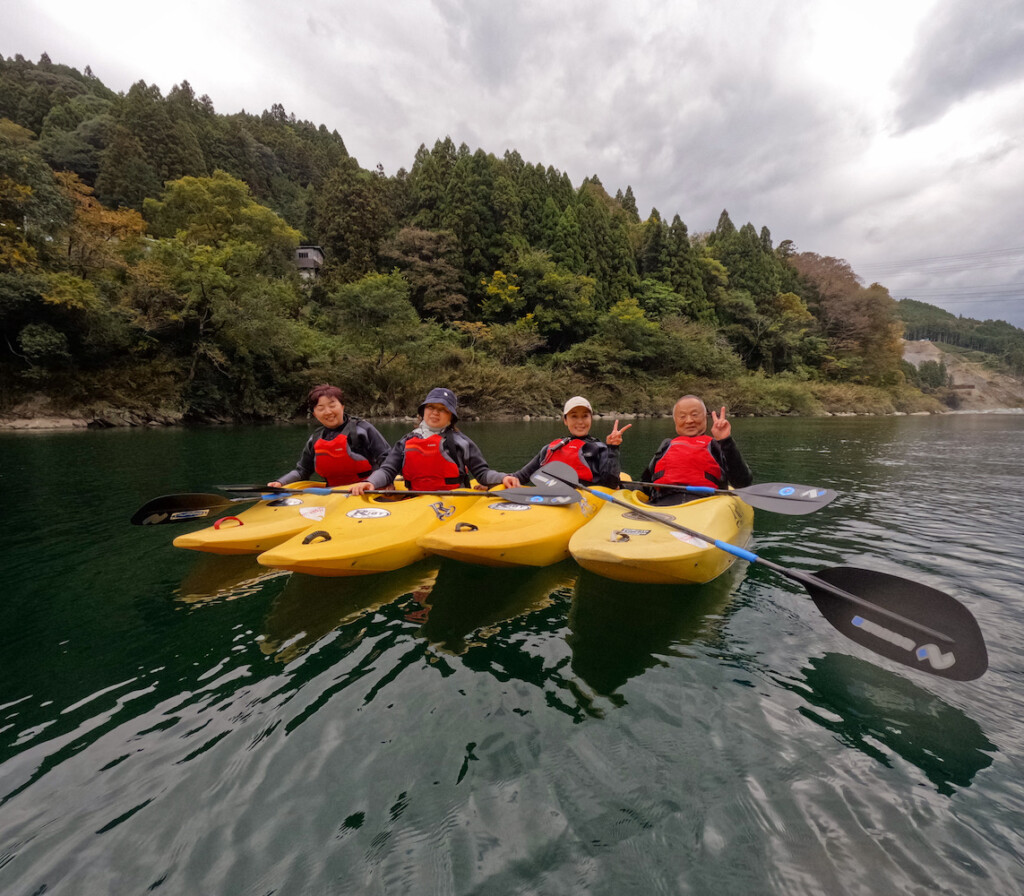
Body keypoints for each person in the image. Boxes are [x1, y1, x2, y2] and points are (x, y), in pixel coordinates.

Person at [348, 387, 510, 494]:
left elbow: (482, 473)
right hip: (416, 501)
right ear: (423, 410)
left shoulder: (461, 442)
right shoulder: (406, 441)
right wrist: (371, 482)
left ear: (451, 416)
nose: (435, 413)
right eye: (431, 407)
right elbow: (388, 470)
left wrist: (502, 478)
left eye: (442, 409)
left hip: (455, 502)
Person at [268, 384, 390, 488]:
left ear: (342, 406)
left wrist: (375, 482)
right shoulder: (315, 439)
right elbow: (302, 471)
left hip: (369, 491)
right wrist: (281, 482)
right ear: (315, 414)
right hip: (335, 496)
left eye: (332, 406)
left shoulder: (363, 429)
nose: (328, 412)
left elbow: (388, 460)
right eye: (320, 408)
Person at [640, 395, 752, 504]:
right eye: (682, 416)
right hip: (663, 502)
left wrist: (726, 440)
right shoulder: (666, 446)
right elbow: (644, 485)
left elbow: (742, 483)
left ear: (704, 417)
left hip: (706, 505)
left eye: (694, 415)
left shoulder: (716, 445)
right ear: (675, 421)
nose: (689, 421)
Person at [502, 396, 630, 489]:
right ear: (565, 420)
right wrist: (495, 480)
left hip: (587, 503)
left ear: (591, 418)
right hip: (552, 501)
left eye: (585, 416)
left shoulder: (600, 449)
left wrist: (613, 448)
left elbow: (611, 484)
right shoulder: (550, 449)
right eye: (574, 416)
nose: (580, 422)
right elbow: (521, 476)